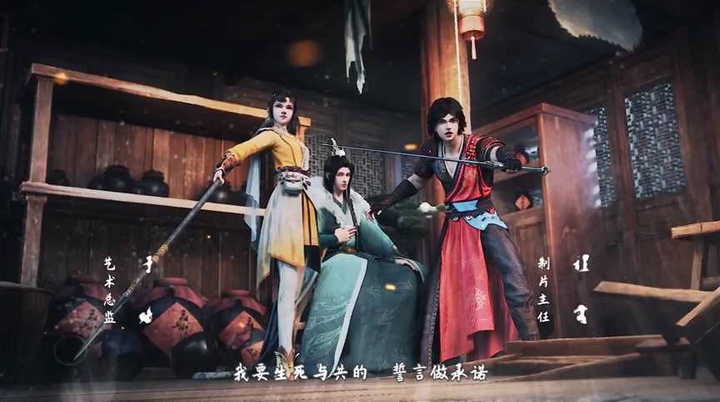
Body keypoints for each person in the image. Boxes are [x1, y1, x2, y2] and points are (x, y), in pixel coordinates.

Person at [369, 97, 539, 365]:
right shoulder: (432, 150)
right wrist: (389, 200)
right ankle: (453, 360)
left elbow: (495, 152)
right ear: (434, 127)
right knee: (447, 291)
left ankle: (533, 346)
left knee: (514, 274)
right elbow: (415, 181)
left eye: (452, 120)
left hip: (485, 220)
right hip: (456, 228)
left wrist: (507, 158)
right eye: (441, 122)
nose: (448, 126)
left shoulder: (477, 144)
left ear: (460, 123)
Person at [212, 90, 319, 378]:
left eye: (289, 107)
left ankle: (285, 351)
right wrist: (225, 165)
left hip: (304, 208)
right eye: (279, 106)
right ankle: (285, 358)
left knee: (297, 288)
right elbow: (245, 148)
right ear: (270, 110)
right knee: (287, 286)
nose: (284, 110)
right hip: (285, 205)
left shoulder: (296, 142)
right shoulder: (270, 135)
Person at [301, 154, 426, 376]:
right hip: (331, 259)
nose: (344, 179)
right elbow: (309, 239)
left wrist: (391, 253)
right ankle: (357, 358)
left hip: (359, 258)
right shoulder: (318, 203)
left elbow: (370, 235)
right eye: (340, 174)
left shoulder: (354, 203)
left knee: (404, 277)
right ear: (330, 176)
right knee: (368, 292)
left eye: (348, 175)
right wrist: (334, 237)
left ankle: (393, 357)